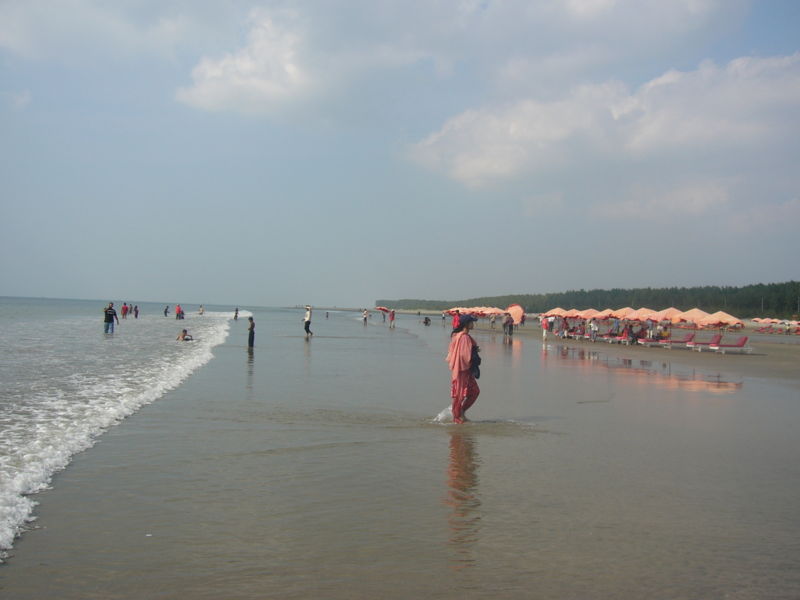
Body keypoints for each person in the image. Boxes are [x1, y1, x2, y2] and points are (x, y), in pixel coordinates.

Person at [446, 314, 480, 424]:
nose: (473, 324)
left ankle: (460, 413)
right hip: (463, 369)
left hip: (461, 368)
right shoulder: (464, 337)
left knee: (471, 392)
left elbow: (454, 351)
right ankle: (457, 416)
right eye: (471, 322)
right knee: (460, 394)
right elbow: (465, 356)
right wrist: (472, 359)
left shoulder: (458, 335)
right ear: (467, 324)